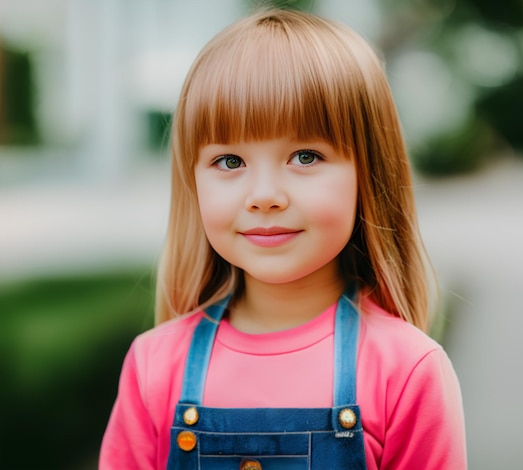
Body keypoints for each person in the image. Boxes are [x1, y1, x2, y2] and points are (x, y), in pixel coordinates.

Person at [100, 8, 466, 470]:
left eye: (306, 156)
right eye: (230, 162)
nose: (265, 196)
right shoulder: (154, 366)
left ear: (367, 174)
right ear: (192, 183)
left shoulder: (407, 370)